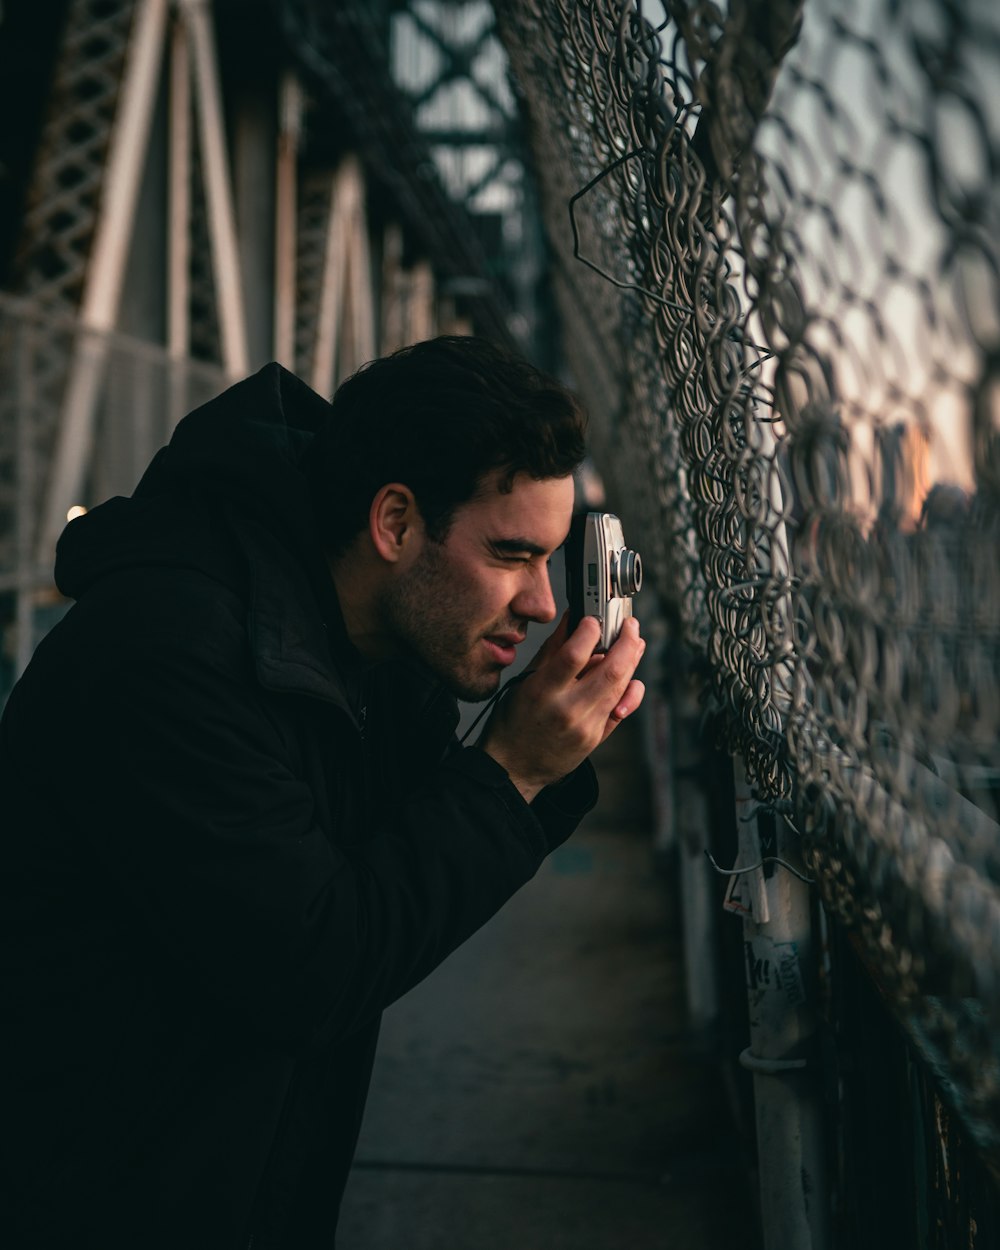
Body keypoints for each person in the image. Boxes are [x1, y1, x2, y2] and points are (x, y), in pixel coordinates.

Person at [0, 336, 645, 1248]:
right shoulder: (166, 656)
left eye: (552, 560)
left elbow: (402, 872)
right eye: (510, 554)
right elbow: (318, 963)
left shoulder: (366, 645)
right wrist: (513, 772)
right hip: (93, 1194)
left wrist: (541, 756)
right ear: (393, 523)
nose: (542, 602)